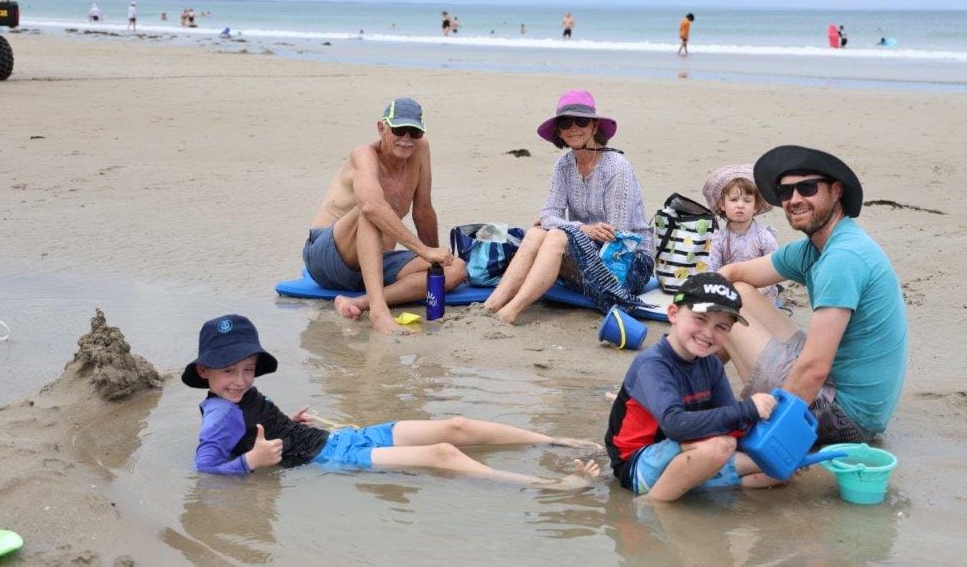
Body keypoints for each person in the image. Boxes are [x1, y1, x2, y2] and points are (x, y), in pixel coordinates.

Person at [185, 314, 602, 487]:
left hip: (333, 439)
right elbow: (205, 469)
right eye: (227, 371)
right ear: (204, 371)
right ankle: (550, 487)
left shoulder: (234, 398)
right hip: (329, 458)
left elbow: (253, 423)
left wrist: (286, 426)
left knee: (456, 425)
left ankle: (556, 441)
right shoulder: (219, 416)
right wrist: (251, 463)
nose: (239, 380)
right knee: (442, 452)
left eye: (247, 369)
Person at [719, 145, 907, 444]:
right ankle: (691, 377)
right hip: (837, 388)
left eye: (807, 188)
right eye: (785, 192)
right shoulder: (814, 249)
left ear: (835, 191)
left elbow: (814, 368)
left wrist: (776, 437)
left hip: (846, 418)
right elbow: (734, 274)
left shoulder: (842, 257)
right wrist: (693, 309)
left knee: (724, 306)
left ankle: (690, 385)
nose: (794, 200)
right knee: (733, 292)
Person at [605, 273, 782, 501]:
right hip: (636, 463)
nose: (708, 333)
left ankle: (688, 483)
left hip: (689, 449)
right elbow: (675, 426)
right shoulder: (652, 364)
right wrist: (748, 409)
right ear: (673, 313)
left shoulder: (711, 364)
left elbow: (731, 421)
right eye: (700, 319)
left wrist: (774, 447)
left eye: (721, 327)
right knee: (720, 446)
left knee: (779, 472)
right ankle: (651, 506)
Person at [484, 89, 653, 324]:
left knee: (554, 237)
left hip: (628, 264)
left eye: (581, 120)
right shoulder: (563, 165)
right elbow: (547, 215)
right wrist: (581, 229)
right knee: (535, 233)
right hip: (590, 255)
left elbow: (617, 235)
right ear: (560, 132)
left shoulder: (617, 167)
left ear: (594, 127)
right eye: (565, 122)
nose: (573, 128)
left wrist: (566, 229)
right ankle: (490, 305)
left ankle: (511, 311)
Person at [304, 97, 466, 333]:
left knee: (455, 270)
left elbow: (423, 210)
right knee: (369, 210)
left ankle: (360, 302)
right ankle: (379, 313)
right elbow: (370, 207)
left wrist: (433, 260)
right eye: (400, 130)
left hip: (374, 262)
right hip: (328, 257)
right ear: (382, 128)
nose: (407, 139)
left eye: (414, 132)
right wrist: (423, 250)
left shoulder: (420, 151)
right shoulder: (364, 155)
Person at [702, 164, 779, 305]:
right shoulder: (719, 238)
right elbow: (712, 270)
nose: (740, 205)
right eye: (733, 200)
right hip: (727, 291)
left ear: (756, 206)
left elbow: (775, 269)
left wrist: (757, 292)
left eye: (747, 201)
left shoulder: (764, 237)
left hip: (760, 292)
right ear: (722, 205)